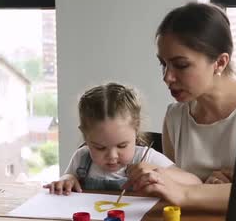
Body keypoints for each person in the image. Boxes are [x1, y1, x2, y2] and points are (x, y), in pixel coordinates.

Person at [125, 2, 236, 210]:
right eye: (163, 64)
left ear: (220, 63)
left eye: (181, 65)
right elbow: (171, 193)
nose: (167, 77)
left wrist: (188, 193)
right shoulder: (175, 117)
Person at [43, 82, 200, 195]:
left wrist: (157, 172)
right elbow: (66, 184)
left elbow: (195, 183)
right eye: (100, 147)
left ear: (136, 130)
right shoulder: (81, 158)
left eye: (122, 145)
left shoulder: (147, 157)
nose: (112, 156)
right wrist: (67, 178)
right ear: (85, 135)